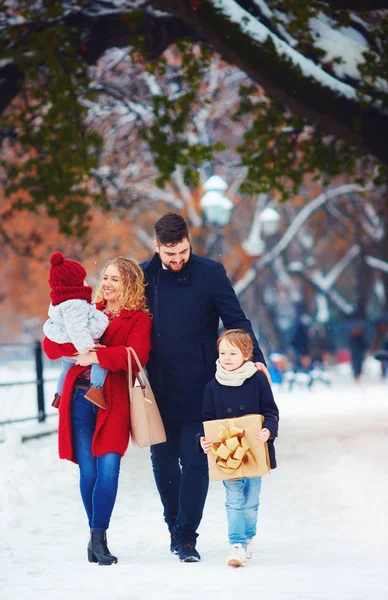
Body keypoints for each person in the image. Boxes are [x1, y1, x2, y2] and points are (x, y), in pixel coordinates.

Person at [141, 212, 269, 563]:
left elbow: (236, 318)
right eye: (170, 255)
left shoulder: (210, 273)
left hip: (200, 386)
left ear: (187, 242)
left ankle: (186, 537)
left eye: (182, 252)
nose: (177, 260)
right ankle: (173, 525)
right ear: (157, 246)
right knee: (163, 462)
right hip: (156, 388)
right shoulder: (143, 276)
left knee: (196, 460)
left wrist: (255, 357)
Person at [43, 257, 152, 565]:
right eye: (105, 277)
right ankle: (97, 537)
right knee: (88, 470)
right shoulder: (86, 308)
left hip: (114, 403)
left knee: (108, 469)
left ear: (129, 282)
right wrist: (77, 352)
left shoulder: (139, 319)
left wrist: (95, 358)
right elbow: (50, 347)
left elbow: (138, 357)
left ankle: (97, 536)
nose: (107, 283)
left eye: (115, 279)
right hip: (79, 399)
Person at [200, 329, 279, 567]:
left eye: (232, 353)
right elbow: (207, 419)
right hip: (227, 453)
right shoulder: (213, 386)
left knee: (251, 500)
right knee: (233, 499)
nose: (226, 357)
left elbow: (270, 411)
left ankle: (248, 536)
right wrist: (203, 439)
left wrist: (268, 430)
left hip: (255, 450)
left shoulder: (257, 380)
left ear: (246, 354)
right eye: (223, 352)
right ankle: (236, 544)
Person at [43, 251, 110, 410]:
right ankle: (96, 389)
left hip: (68, 347)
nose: (85, 282)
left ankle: (59, 396)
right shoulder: (75, 304)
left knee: (66, 369)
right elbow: (77, 329)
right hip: (80, 345)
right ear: (73, 283)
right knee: (100, 361)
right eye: (81, 279)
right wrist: (87, 349)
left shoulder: (60, 302)